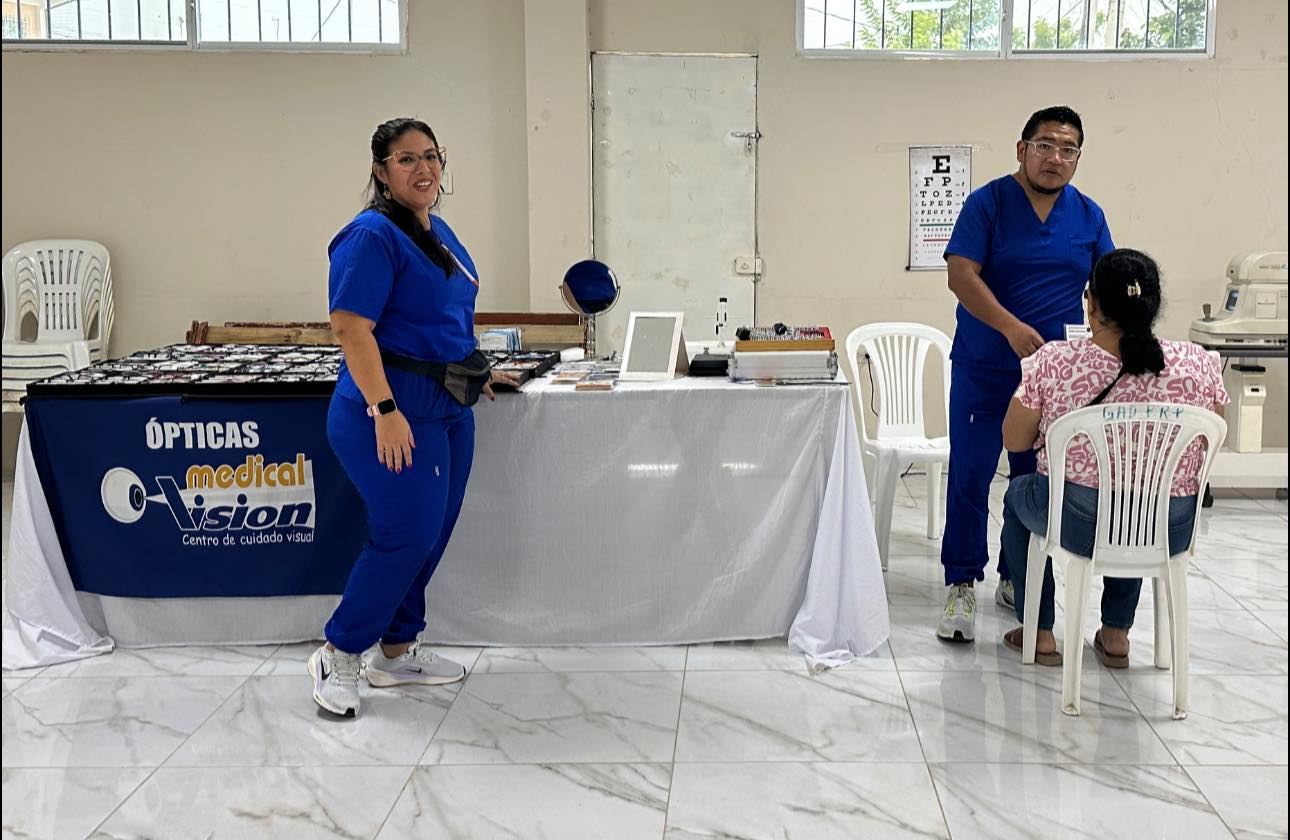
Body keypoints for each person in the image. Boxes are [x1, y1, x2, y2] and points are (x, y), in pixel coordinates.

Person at [308, 117, 517, 717]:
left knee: (434, 530)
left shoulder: (435, 229)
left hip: (447, 406)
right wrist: (385, 409)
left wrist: (477, 370)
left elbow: (442, 319)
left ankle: (397, 650)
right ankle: (339, 652)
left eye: (431, 156)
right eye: (406, 159)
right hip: (388, 411)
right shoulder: (371, 236)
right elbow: (351, 329)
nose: (424, 169)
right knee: (406, 534)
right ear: (381, 171)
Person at [937, 106, 1115, 643]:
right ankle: (961, 582)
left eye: (1068, 149)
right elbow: (960, 275)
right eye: (1045, 145)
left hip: (1052, 380)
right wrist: (1010, 328)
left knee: (1032, 483)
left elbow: (1107, 286)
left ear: (1078, 158)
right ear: (1022, 149)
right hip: (985, 367)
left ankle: (1016, 577)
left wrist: (1105, 351)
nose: (1055, 158)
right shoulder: (987, 204)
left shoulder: (1088, 215)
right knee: (970, 475)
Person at [999, 249, 1227, 666]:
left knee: (1017, 497)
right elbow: (1214, 433)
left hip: (1076, 522)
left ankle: (1040, 631)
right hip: (1171, 526)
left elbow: (1014, 440)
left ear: (1091, 304)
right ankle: (1117, 634)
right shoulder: (1198, 364)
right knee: (1137, 499)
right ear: (1153, 305)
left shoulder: (1054, 362)